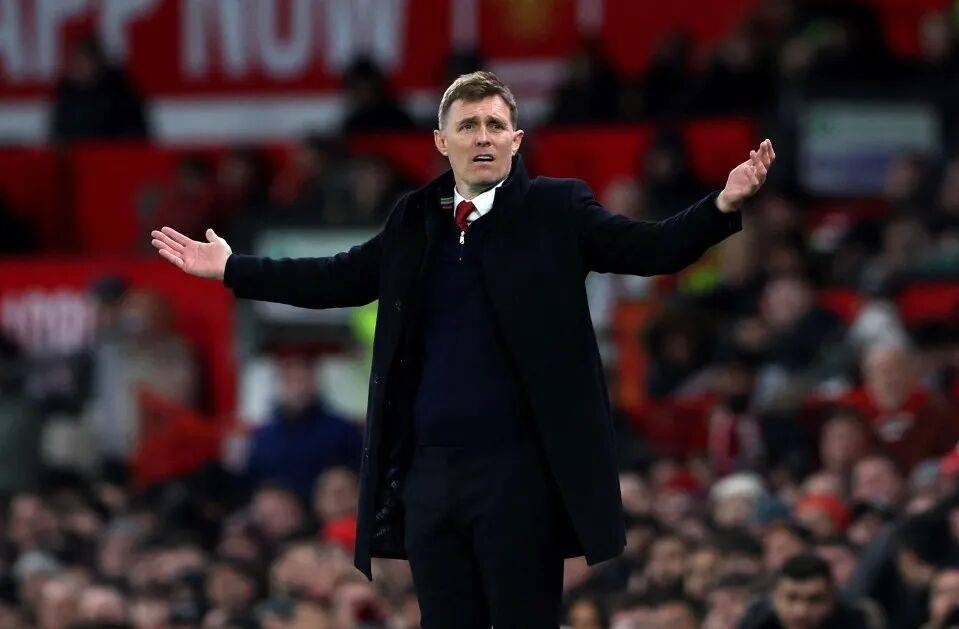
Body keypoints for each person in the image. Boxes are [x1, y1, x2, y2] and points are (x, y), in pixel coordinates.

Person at [151, 71, 775, 627]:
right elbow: (336, 278)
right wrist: (233, 268)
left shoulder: (557, 208)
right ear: (441, 141)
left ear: (516, 141)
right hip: (431, 475)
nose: (483, 137)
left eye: (495, 126)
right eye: (468, 125)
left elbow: (651, 248)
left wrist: (721, 205)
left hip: (520, 473)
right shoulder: (413, 220)